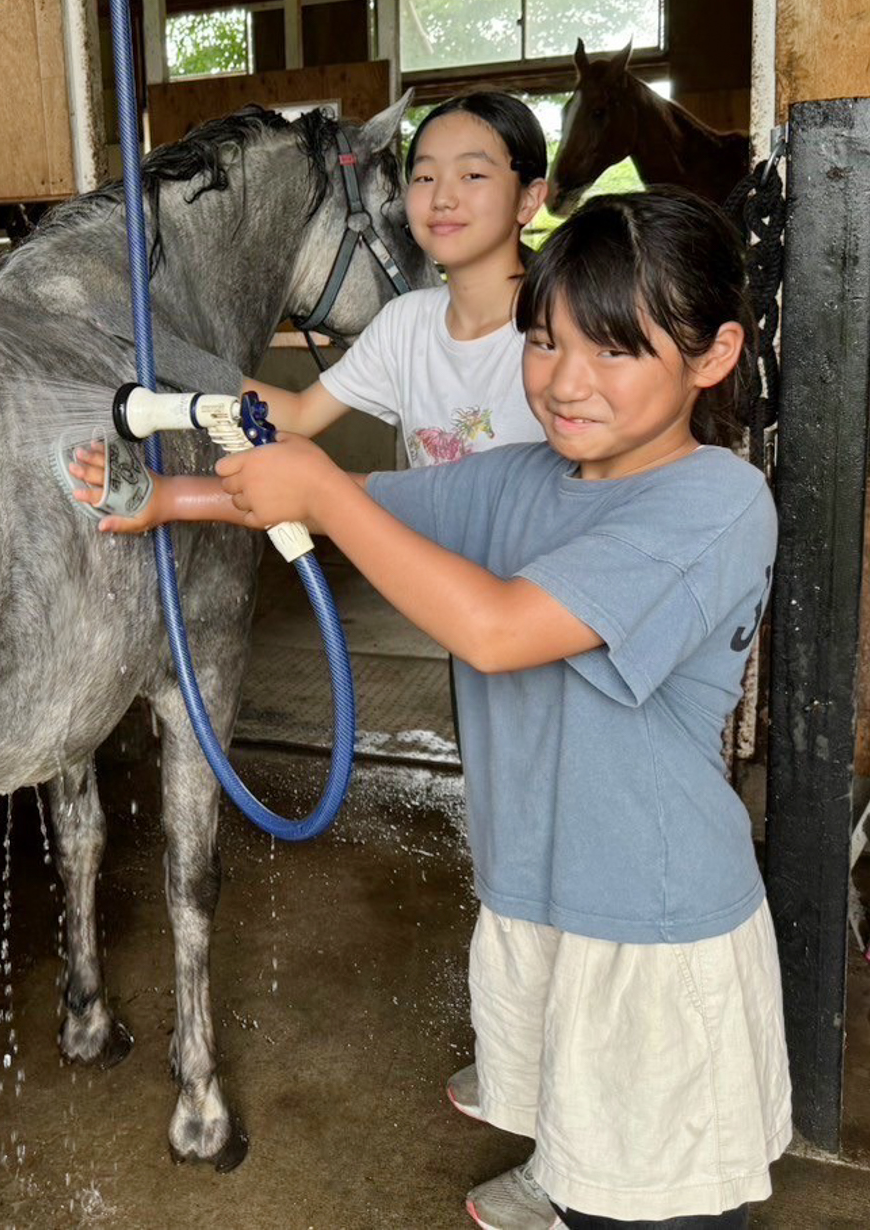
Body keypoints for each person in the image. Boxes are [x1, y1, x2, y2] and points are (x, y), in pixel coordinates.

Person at [72, 188, 789, 1229]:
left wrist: (322, 490)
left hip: (650, 922)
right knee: (578, 1143)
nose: (565, 383)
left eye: (616, 351)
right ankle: (563, 1179)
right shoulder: (522, 479)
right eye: (543, 344)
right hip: (538, 889)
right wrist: (155, 500)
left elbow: (496, 628)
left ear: (712, 357)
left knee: (652, 1200)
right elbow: (343, 516)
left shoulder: (715, 501)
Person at [246, 91, 552, 468]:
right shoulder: (403, 323)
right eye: (425, 176)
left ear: (528, 200)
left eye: (472, 175)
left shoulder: (565, 324)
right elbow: (298, 414)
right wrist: (169, 352)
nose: (442, 197)